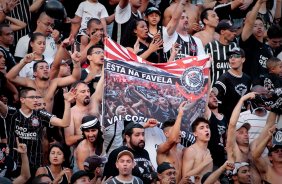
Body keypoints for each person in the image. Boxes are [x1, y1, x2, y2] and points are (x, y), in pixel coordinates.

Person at [0, 87, 74, 177]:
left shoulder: (40, 114)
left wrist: (67, 102)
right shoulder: (12, 112)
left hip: (35, 165)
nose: (36, 100)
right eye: (32, 97)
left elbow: (64, 123)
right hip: (14, 164)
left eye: (36, 97)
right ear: (22, 99)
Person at [6, 51, 81, 112]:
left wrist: (76, 63)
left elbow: (74, 78)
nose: (45, 69)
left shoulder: (54, 83)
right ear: (35, 73)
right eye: (41, 68)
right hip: (32, 124)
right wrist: (24, 62)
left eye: (47, 67)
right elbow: (10, 77)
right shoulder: (29, 82)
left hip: (48, 123)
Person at [213, 47, 252, 121]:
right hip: (229, 120)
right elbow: (216, 104)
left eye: (236, 56)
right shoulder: (224, 79)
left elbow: (248, 102)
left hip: (244, 121)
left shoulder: (247, 79)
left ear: (243, 59)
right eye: (230, 57)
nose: (232, 59)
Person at [239, 0, 273, 82]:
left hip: (265, 85)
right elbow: (249, 22)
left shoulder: (268, 48)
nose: (259, 27)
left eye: (261, 25)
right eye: (255, 25)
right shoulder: (247, 42)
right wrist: (258, 3)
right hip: (250, 85)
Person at [157, 102, 186, 183]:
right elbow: (173, 139)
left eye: (179, 130)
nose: (179, 133)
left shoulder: (182, 151)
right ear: (166, 134)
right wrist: (180, 115)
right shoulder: (161, 149)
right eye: (175, 131)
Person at [205, 19, 238, 86]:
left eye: (234, 31)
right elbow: (205, 69)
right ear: (222, 32)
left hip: (232, 87)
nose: (234, 33)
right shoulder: (210, 46)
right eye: (231, 31)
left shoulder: (235, 46)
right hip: (215, 88)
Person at [204, 90, 227, 168]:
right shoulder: (208, 114)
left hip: (222, 157)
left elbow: (226, 137)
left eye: (215, 96)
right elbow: (205, 96)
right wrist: (208, 77)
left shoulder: (224, 117)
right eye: (210, 96)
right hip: (210, 156)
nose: (214, 98)